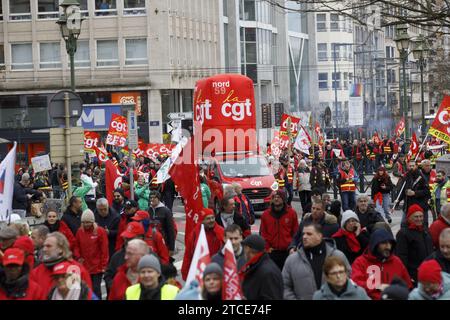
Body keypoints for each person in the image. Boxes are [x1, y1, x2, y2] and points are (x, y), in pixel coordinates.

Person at [282, 223, 351, 300]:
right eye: (303, 234)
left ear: (319, 236)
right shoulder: (292, 260)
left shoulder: (338, 256)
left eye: (309, 234)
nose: (304, 237)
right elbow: (285, 286)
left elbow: (349, 283)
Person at [351, 229, 412, 300]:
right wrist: (377, 286)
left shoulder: (396, 261)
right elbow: (355, 284)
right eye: (384, 243)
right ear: (375, 244)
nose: (388, 247)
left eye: (390, 243)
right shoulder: (360, 262)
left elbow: (408, 286)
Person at [260, 190, 299, 270]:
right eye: (274, 197)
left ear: (284, 199)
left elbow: (295, 233)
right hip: (272, 253)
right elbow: (263, 234)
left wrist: (293, 247)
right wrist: (267, 248)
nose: (276, 199)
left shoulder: (291, 213)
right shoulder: (266, 214)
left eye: (279, 197)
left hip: (287, 252)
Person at [181, 208, 224, 281]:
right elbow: (188, 255)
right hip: (200, 271)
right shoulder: (194, 234)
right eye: (208, 218)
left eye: (212, 217)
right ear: (202, 221)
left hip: (218, 270)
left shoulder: (221, 231)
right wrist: (185, 273)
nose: (211, 220)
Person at [104, 222, 146, 295]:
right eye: (126, 238)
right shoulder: (117, 256)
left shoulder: (151, 257)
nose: (127, 241)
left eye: (130, 238)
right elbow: (108, 275)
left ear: (141, 238)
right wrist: (114, 287)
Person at [75, 209, 109, 299]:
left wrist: (103, 265)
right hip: (85, 265)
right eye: (84, 222)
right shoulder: (80, 232)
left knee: (96, 289)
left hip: (97, 267)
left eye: (88, 222)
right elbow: (76, 246)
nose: (86, 225)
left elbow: (104, 249)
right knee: (86, 289)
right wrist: (78, 257)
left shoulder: (100, 231)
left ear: (92, 222)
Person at [395, 204, 433, 284]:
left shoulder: (425, 231)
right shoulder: (403, 234)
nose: (419, 219)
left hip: (427, 272)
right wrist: (406, 276)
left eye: (421, 216)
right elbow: (402, 256)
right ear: (409, 217)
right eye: (416, 217)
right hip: (413, 274)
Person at [239, 234, 283, 300]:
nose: (243, 251)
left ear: (248, 249)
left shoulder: (267, 273)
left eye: (244, 248)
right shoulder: (257, 266)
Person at [398, 159, 431, 226]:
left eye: (413, 166)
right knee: (403, 224)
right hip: (408, 205)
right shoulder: (406, 176)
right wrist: (398, 200)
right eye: (410, 166)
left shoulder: (421, 177)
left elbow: (427, 191)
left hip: (419, 205)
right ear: (407, 167)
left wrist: (415, 193)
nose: (411, 167)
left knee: (421, 225)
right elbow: (403, 190)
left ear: (416, 166)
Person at [148, 191, 176, 256]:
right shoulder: (148, 210)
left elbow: (171, 230)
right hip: (150, 242)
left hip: (163, 242)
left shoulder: (166, 211)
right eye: (150, 197)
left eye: (154, 198)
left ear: (158, 199)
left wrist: (171, 248)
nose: (152, 199)